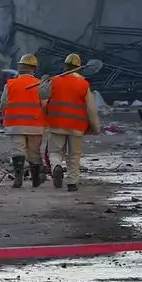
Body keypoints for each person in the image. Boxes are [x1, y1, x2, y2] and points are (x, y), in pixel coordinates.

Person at [39, 53, 101, 192]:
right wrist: (95, 127)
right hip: (77, 126)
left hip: (57, 124)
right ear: (79, 68)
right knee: (74, 155)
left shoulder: (55, 81)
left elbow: (42, 96)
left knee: (55, 152)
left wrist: (44, 81)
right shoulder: (84, 85)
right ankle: (72, 182)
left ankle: (56, 167)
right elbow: (90, 109)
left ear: (65, 66)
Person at [0, 54, 46, 188]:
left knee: (17, 151)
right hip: (35, 124)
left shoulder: (10, 84)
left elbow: (3, 103)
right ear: (34, 69)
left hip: (15, 124)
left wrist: (5, 116)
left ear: (19, 68)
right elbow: (45, 105)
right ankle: (36, 179)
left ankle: (18, 179)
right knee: (34, 153)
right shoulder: (40, 84)